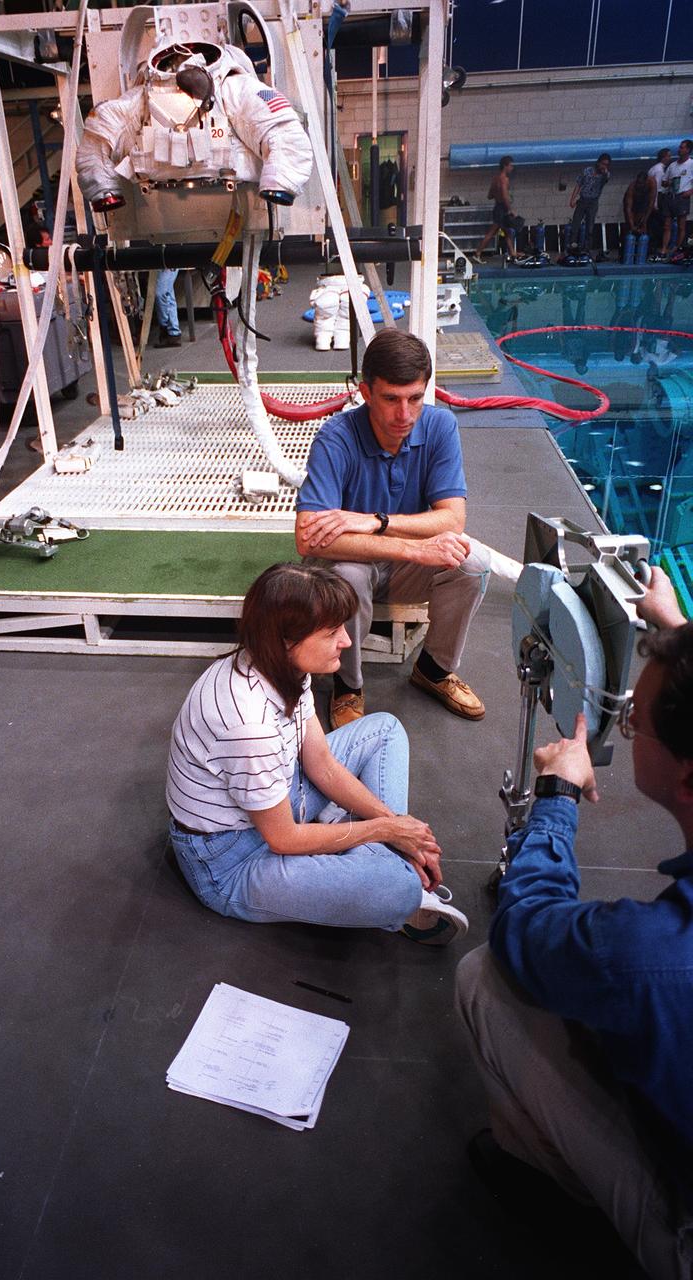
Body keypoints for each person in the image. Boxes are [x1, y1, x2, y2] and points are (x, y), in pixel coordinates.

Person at [456, 565, 693, 1278]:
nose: (628, 725)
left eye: (636, 723)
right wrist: (676, 636)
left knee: (485, 979)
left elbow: (526, 927)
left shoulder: (648, 954)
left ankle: (562, 1186)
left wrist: (557, 792)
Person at [166, 562, 469, 945]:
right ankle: (380, 868)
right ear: (287, 641)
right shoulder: (249, 725)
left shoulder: (283, 667)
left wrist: (396, 826)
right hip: (229, 860)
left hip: (275, 799)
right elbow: (283, 839)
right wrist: (384, 830)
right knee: (399, 889)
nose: (346, 641)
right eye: (332, 633)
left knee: (385, 729)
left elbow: (321, 764)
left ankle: (360, 849)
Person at [295, 328, 490, 729]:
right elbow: (308, 537)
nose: (404, 414)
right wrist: (414, 548)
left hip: (392, 562)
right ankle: (347, 685)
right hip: (351, 564)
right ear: (365, 393)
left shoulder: (440, 428)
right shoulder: (336, 438)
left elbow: (452, 518)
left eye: (415, 398)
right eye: (391, 399)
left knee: (471, 563)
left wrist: (375, 521)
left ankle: (434, 669)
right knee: (347, 578)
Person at [472, 156, 523, 263]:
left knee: (507, 232)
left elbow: (490, 195)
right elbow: (505, 196)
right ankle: (477, 253)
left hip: (497, 207)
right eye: (511, 166)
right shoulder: (504, 179)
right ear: (505, 166)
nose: (512, 168)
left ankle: (513, 253)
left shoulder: (495, 179)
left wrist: (497, 194)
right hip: (502, 209)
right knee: (492, 232)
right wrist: (510, 209)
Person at [568, 152, 611, 251]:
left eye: (606, 165)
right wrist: (573, 199)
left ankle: (587, 248)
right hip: (583, 200)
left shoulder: (605, 175)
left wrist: (604, 172)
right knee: (576, 224)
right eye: (603, 164)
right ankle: (572, 245)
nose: (604, 166)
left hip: (593, 202)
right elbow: (579, 184)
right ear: (598, 162)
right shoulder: (587, 170)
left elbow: (606, 179)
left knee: (590, 226)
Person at [660, 139, 693, 259]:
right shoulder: (673, 165)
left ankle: (677, 248)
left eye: (682, 147)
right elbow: (663, 181)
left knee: (681, 225)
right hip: (671, 196)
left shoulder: (691, 164)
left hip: (682, 196)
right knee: (667, 225)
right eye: (680, 147)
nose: (680, 149)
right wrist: (668, 183)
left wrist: (690, 191)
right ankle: (664, 248)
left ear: (688, 150)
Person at [648, 147, 672, 249]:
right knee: (658, 226)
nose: (670, 158)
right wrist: (655, 204)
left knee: (653, 225)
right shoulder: (659, 171)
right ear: (664, 157)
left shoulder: (655, 168)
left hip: (651, 201)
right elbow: (657, 188)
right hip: (656, 201)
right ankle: (656, 246)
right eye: (669, 156)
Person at [154, 267, 182, 348]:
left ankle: (165, 329)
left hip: (168, 260)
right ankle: (173, 333)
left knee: (160, 293)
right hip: (167, 260)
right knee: (167, 293)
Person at [623, 170, 655, 235]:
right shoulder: (632, 187)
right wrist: (632, 225)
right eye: (638, 183)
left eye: (641, 183)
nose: (639, 185)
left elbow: (651, 204)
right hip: (634, 200)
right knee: (631, 222)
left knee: (642, 218)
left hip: (644, 199)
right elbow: (628, 208)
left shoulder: (652, 183)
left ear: (646, 181)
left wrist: (645, 220)